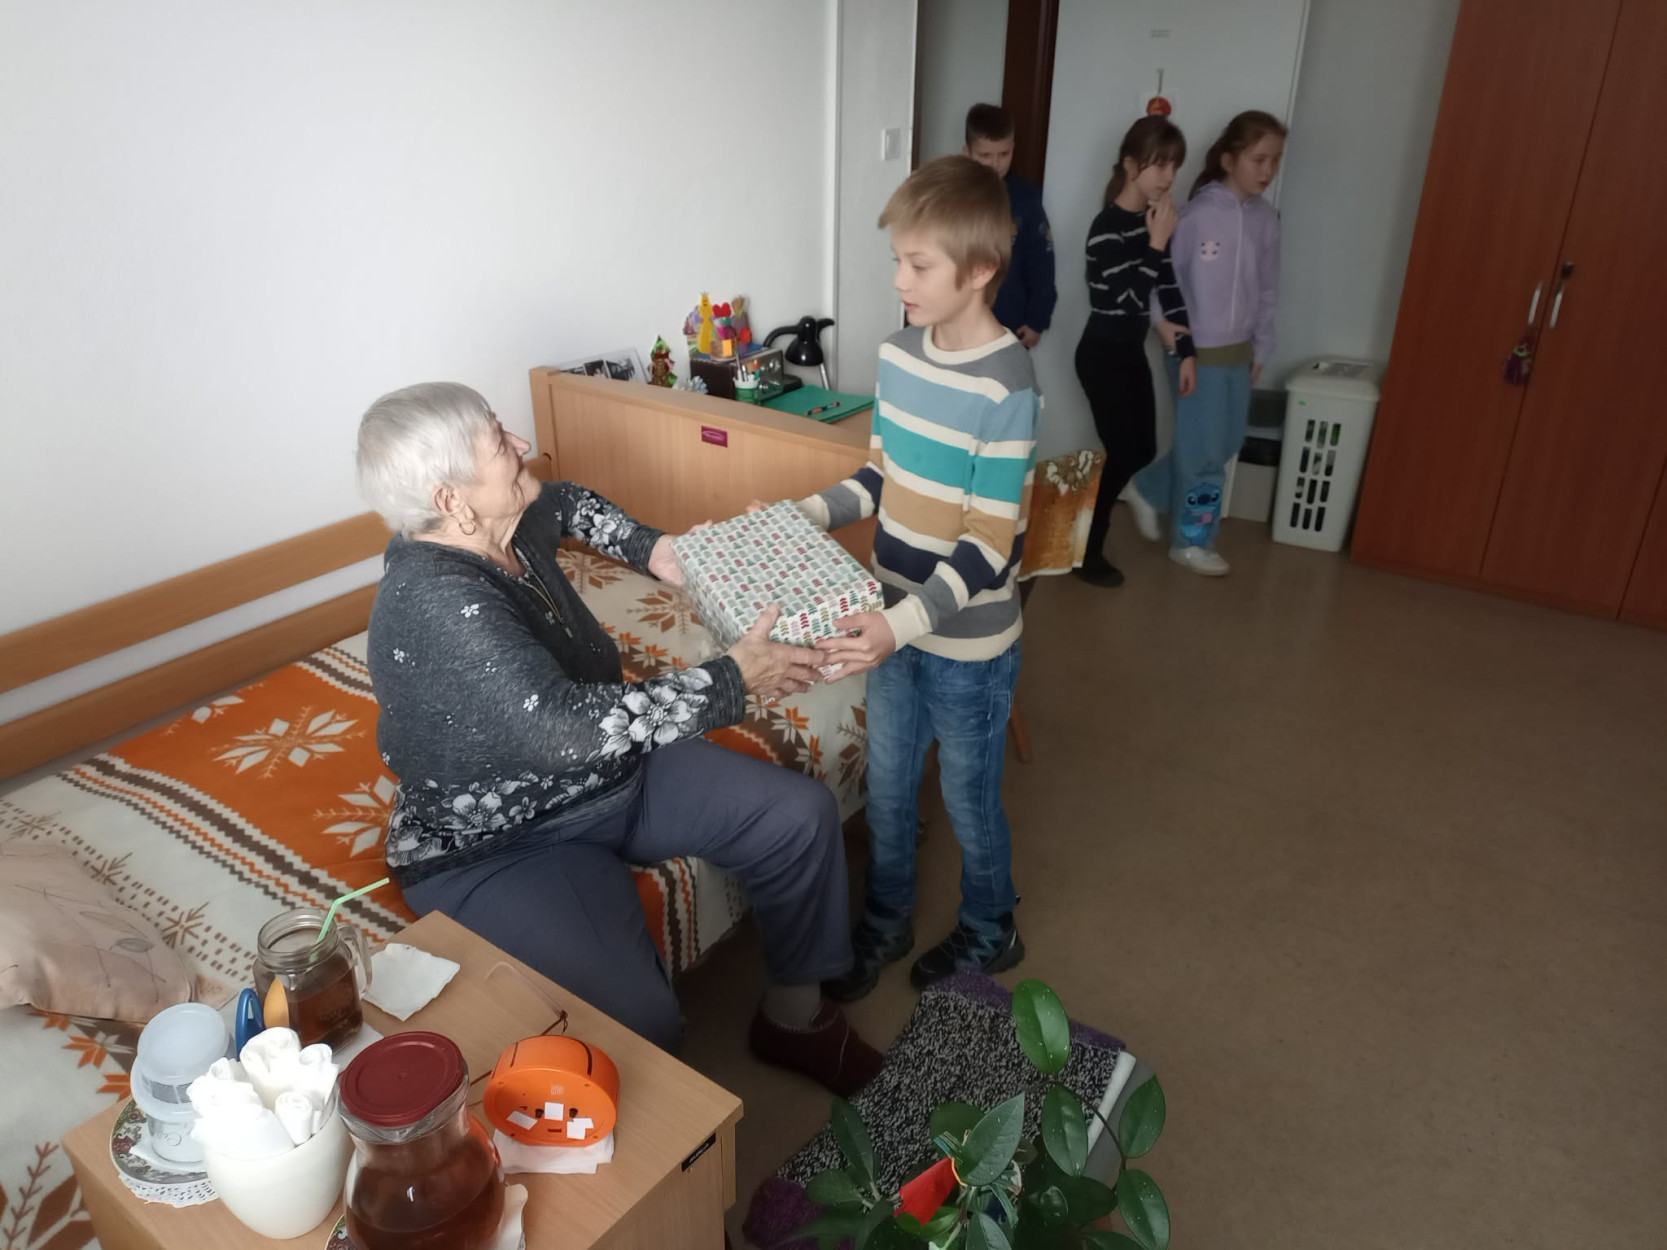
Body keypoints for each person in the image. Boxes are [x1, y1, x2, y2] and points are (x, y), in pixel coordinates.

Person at [355, 383, 882, 1096]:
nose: (521, 444)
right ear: (451, 499)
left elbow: (568, 501)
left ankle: (795, 1017)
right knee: (639, 1023)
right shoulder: (434, 600)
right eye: (498, 442)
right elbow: (566, 731)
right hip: (503, 846)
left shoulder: (508, 521)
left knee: (797, 816)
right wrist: (733, 679)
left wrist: (656, 550)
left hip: (613, 777)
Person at [793, 156, 1039, 1001]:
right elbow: (878, 478)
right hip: (890, 625)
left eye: (918, 264)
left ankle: (991, 928)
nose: (898, 280)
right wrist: (806, 513)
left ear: (978, 270)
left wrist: (898, 625)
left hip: (968, 645)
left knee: (968, 802)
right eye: (896, 259)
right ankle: (886, 919)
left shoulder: (1007, 386)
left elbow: (989, 542)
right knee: (891, 790)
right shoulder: (897, 355)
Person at [1130, 111, 1287, 576]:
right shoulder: (1197, 216)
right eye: (1258, 159)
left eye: (1275, 160)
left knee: (1226, 443)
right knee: (1203, 457)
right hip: (1193, 353)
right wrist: (1164, 329)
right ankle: (1192, 542)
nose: (1267, 170)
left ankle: (1148, 489)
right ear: (1229, 159)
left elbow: (1268, 289)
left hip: (1240, 352)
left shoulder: (1266, 220)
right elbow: (1161, 279)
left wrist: (1261, 348)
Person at [1072, 116, 1197, 589]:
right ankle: (1086, 551)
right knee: (1124, 451)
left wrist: (1186, 350)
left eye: (1174, 166)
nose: (1169, 176)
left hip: (1128, 351)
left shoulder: (1153, 222)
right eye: (1159, 165)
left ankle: (1085, 534)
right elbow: (1127, 299)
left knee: (1141, 448)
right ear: (1130, 166)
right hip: (1101, 355)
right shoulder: (1105, 228)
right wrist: (1157, 242)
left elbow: (1167, 287)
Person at [965, 103, 1056, 350]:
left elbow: (1042, 264)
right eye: (985, 155)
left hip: (1008, 325)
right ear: (968, 152)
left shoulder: (1026, 200)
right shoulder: (954, 197)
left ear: (1013, 148)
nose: (996, 164)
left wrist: (1038, 320)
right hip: (959, 321)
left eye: (1003, 154)